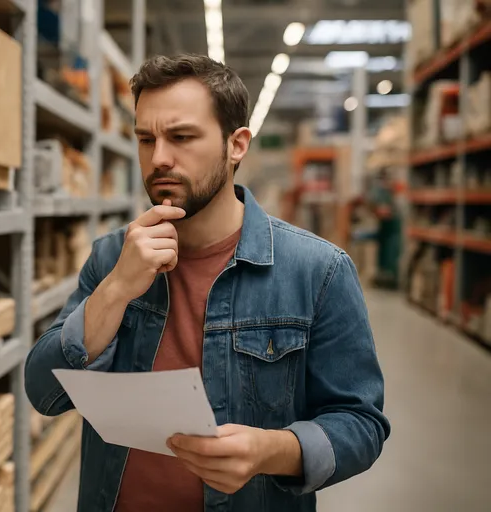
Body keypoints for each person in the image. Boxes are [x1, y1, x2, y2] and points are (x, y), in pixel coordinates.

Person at [25, 54, 390, 512]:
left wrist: (272, 451)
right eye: (145, 139)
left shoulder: (318, 270)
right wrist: (117, 288)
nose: (158, 158)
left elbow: (361, 424)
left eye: (181, 137)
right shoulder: (112, 257)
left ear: (236, 145)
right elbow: (44, 393)